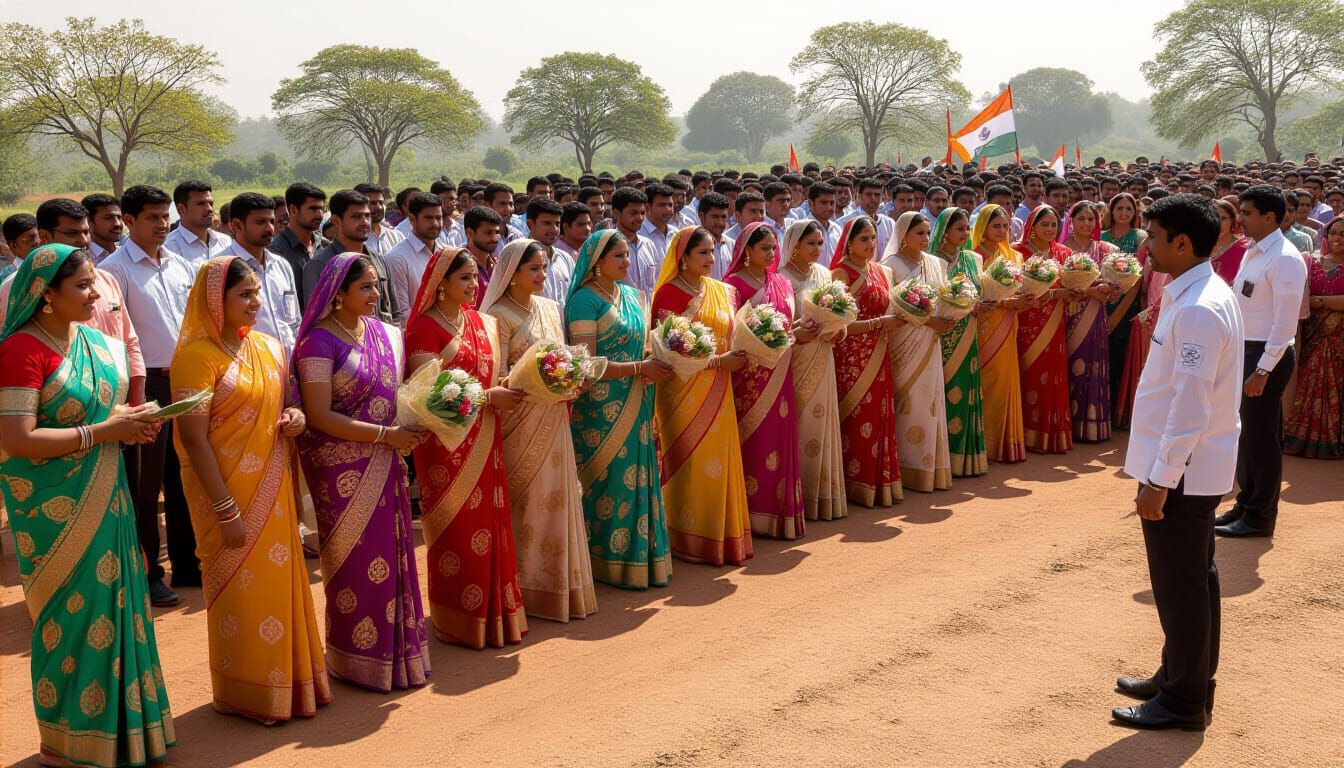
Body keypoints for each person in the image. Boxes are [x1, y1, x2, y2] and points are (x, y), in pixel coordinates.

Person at [0, 244, 174, 767]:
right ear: (44, 294)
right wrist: (106, 430)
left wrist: (132, 418)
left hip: (107, 491)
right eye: (81, 285)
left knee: (120, 605)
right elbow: (16, 438)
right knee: (71, 618)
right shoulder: (20, 350)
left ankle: (124, 735)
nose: (95, 293)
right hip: (51, 507)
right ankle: (70, 743)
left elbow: (102, 410)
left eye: (94, 282)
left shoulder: (95, 341)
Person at [171, 256, 330, 724]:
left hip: (273, 485)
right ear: (214, 302)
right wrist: (224, 509)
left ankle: (293, 683)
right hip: (225, 496)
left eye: (257, 293)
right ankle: (249, 692)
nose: (255, 302)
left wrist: (295, 419)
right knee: (242, 593)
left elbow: (287, 407)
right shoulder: (195, 358)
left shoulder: (267, 347)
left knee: (280, 584)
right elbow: (194, 439)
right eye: (244, 295)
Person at [1115, 193, 1243, 732]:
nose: (1147, 244)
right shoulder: (1195, 290)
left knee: (1180, 585)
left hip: (1182, 470)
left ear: (1183, 243)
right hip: (1188, 464)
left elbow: (1189, 405)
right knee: (1195, 577)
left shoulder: (1196, 307)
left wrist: (1160, 480)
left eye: (1155, 235)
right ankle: (1181, 675)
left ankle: (1184, 700)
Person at [294, 254, 431, 691]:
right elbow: (317, 415)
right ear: (338, 295)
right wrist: (384, 438)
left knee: (392, 558)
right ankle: (356, 660)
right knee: (356, 565)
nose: (377, 294)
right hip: (341, 469)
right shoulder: (318, 342)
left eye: (378, 285)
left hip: (387, 455)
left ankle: (398, 655)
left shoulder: (386, 334)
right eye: (366, 288)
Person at [405, 248, 529, 648]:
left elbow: (493, 374)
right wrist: (490, 397)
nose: (474, 285)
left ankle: (497, 613)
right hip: (446, 445)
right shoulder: (425, 328)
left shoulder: (482, 322)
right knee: (459, 530)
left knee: (492, 522)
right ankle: (459, 618)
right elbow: (426, 398)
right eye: (464, 279)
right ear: (440, 283)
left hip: (487, 434)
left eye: (476, 278)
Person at [480, 239, 598, 621]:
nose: (542, 276)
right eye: (534, 269)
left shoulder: (551, 307)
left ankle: (557, 587)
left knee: (559, 498)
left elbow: (563, 357)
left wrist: (572, 379)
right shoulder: (498, 315)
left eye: (545, 268)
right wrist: (533, 382)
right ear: (511, 273)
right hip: (519, 420)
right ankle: (523, 589)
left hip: (553, 418)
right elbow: (494, 374)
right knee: (525, 502)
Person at [101, 184, 199, 605]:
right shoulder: (114, 270)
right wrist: (135, 396)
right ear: (129, 221)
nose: (162, 225)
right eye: (152, 218)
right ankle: (148, 572)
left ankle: (188, 563)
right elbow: (117, 338)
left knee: (186, 473)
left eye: (165, 217)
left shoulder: (179, 264)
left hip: (186, 379)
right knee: (146, 485)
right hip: (146, 385)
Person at [565, 230, 674, 588]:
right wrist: (640, 369)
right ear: (596, 263)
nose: (628, 262)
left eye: (628, 255)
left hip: (638, 400)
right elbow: (587, 364)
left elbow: (639, 345)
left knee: (640, 477)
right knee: (608, 483)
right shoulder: (584, 301)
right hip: (599, 409)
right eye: (619, 257)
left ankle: (639, 560)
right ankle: (604, 562)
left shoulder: (631, 294)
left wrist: (655, 358)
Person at [651, 227, 753, 565]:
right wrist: (719, 361)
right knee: (689, 461)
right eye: (703, 253)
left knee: (718, 459)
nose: (711, 259)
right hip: (681, 391)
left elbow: (732, 333)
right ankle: (685, 537)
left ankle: (718, 535)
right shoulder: (667, 294)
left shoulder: (722, 291)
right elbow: (667, 352)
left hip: (719, 387)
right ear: (683, 258)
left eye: (713, 252)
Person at [1216, 186, 1308, 538]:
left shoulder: (1284, 257)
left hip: (1266, 355)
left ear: (1270, 217)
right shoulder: (1255, 251)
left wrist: (1263, 369)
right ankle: (1246, 503)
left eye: (1248, 212)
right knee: (1247, 436)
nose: (1241, 218)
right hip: (1245, 350)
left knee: (1262, 438)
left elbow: (1285, 326)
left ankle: (1260, 516)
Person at [722, 222, 806, 539]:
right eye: (764, 248)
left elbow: (789, 322)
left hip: (782, 367)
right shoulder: (732, 285)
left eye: (773, 248)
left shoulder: (782, 282)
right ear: (746, 251)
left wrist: (803, 327)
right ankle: (751, 514)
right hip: (749, 374)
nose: (771, 253)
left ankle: (778, 511)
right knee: (755, 438)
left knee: (780, 435)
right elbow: (731, 332)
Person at [829, 216, 903, 506]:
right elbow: (838, 325)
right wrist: (878, 324)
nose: (871, 244)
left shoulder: (880, 271)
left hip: (880, 350)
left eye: (873, 238)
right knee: (857, 416)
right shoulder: (840, 274)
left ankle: (879, 483)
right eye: (863, 239)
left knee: (880, 413)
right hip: (851, 356)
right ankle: (854, 484)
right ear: (848, 243)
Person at [778, 220, 848, 520]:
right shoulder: (781, 279)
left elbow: (841, 314)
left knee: (823, 420)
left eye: (821, 243)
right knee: (799, 423)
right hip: (795, 360)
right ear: (794, 245)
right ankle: (800, 495)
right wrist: (797, 334)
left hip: (823, 354)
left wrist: (837, 330)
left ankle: (823, 495)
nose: (818, 249)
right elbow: (777, 325)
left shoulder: (823, 274)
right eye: (811, 243)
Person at [881, 212, 953, 491]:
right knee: (907, 399)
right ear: (903, 235)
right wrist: (927, 320)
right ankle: (904, 467)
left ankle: (928, 467)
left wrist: (951, 313)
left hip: (931, 339)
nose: (925, 238)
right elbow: (890, 307)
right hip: (904, 341)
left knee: (931, 399)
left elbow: (943, 297)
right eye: (919, 233)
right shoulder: (890, 265)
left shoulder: (936, 263)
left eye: (927, 233)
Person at [931, 208, 989, 477]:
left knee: (966, 389)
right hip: (941, 334)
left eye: (968, 228)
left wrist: (979, 304)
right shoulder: (932, 262)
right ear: (944, 232)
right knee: (942, 391)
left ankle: (965, 457)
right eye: (960, 229)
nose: (966, 233)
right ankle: (944, 458)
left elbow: (981, 293)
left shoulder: (973, 259)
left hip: (968, 332)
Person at [1013, 205, 1074, 454]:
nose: (1050, 230)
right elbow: (1013, 289)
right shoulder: (1018, 253)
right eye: (1044, 224)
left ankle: (1049, 434)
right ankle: (1024, 434)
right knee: (1027, 373)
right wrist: (1055, 293)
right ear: (1031, 226)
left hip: (1055, 322)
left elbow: (1070, 284)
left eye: (1054, 225)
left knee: (1053, 373)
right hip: (1025, 322)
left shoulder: (1064, 252)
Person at [1283, 217, 1344, 458]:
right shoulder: (1311, 262)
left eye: (1343, 234)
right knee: (1308, 383)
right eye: (1334, 233)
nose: (1338, 238)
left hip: (1339, 340)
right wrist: (1327, 304)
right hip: (1312, 336)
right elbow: (1298, 296)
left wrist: (1321, 302)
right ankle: (1304, 439)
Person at [973, 205, 1028, 464]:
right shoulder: (972, 256)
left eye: (1005, 226)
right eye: (996, 226)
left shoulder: (1012, 256)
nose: (1002, 231)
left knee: (1005, 378)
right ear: (983, 227)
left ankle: (1003, 442)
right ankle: (985, 442)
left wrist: (1023, 298)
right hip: (982, 325)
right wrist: (1006, 301)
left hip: (1007, 323)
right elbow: (970, 295)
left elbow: (1017, 289)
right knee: (986, 380)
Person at [1061, 202, 1120, 442]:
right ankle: (1069, 426)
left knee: (1093, 365)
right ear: (1071, 221)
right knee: (1069, 367)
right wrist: (1092, 290)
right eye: (1081, 219)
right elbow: (1060, 283)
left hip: (1096, 316)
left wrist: (1114, 290)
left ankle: (1092, 425)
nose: (1086, 224)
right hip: (1068, 315)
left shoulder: (1106, 250)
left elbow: (1116, 284)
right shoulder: (1062, 249)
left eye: (1091, 219)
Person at [303, 190, 399, 324]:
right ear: (336, 220)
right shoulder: (321, 265)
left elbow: (394, 311)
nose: (365, 222)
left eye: (367, 216)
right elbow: (316, 319)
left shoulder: (377, 259)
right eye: (356, 217)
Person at [224, 193, 301, 349]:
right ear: (237, 225)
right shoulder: (221, 267)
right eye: (261, 222)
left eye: (271, 221)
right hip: (246, 364)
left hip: (288, 364)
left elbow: (295, 322)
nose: (269, 228)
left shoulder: (281, 265)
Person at [1102, 193, 1147, 429]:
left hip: (1127, 304)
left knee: (1120, 356)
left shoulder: (1140, 237)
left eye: (1128, 209)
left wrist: (1119, 311)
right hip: (1100, 300)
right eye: (1119, 208)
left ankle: (1119, 412)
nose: (1123, 213)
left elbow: (1138, 278)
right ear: (1112, 211)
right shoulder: (1101, 237)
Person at [382, 192, 444, 328]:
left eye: (439, 218)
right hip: (415, 336)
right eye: (428, 218)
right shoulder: (396, 258)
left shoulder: (445, 253)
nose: (435, 223)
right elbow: (402, 312)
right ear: (412, 219)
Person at [271, 183, 328, 299]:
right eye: (313, 209)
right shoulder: (275, 251)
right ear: (293, 210)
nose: (320, 215)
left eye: (322, 208)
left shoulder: (325, 245)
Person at [164, 180, 233, 269]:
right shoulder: (169, 247)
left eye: (211, 203)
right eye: (201, 204)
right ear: (181, 209)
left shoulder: (225, 241)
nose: (210, 209)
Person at [611, 188, 661, 295]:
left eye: (642, 213)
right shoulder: (606, 246)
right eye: (633, 213)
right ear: (616, 214)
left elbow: (656, 283)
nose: (640, 218)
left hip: (647, 310)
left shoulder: (649, 245)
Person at [80, 194, 123, 264]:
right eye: (108, 217)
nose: (117, 223)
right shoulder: (82, 262)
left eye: (119, 217)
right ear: (88, 222)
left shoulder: (127, 254)